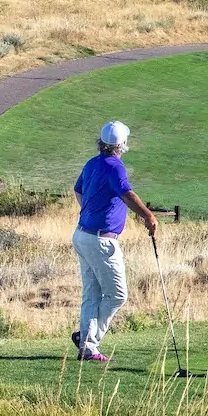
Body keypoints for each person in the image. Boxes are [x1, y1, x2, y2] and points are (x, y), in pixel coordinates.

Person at [71, 121, 159, 364]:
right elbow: (128, 194)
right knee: (117, 294)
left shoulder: (92, 163)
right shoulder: (115, 167)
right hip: (100, 240)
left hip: (82, 235)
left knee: (92, 294)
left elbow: (78, 190)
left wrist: (91, 210)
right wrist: (148, 216)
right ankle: (87, 341)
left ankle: (87, 346)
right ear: (121, 145)